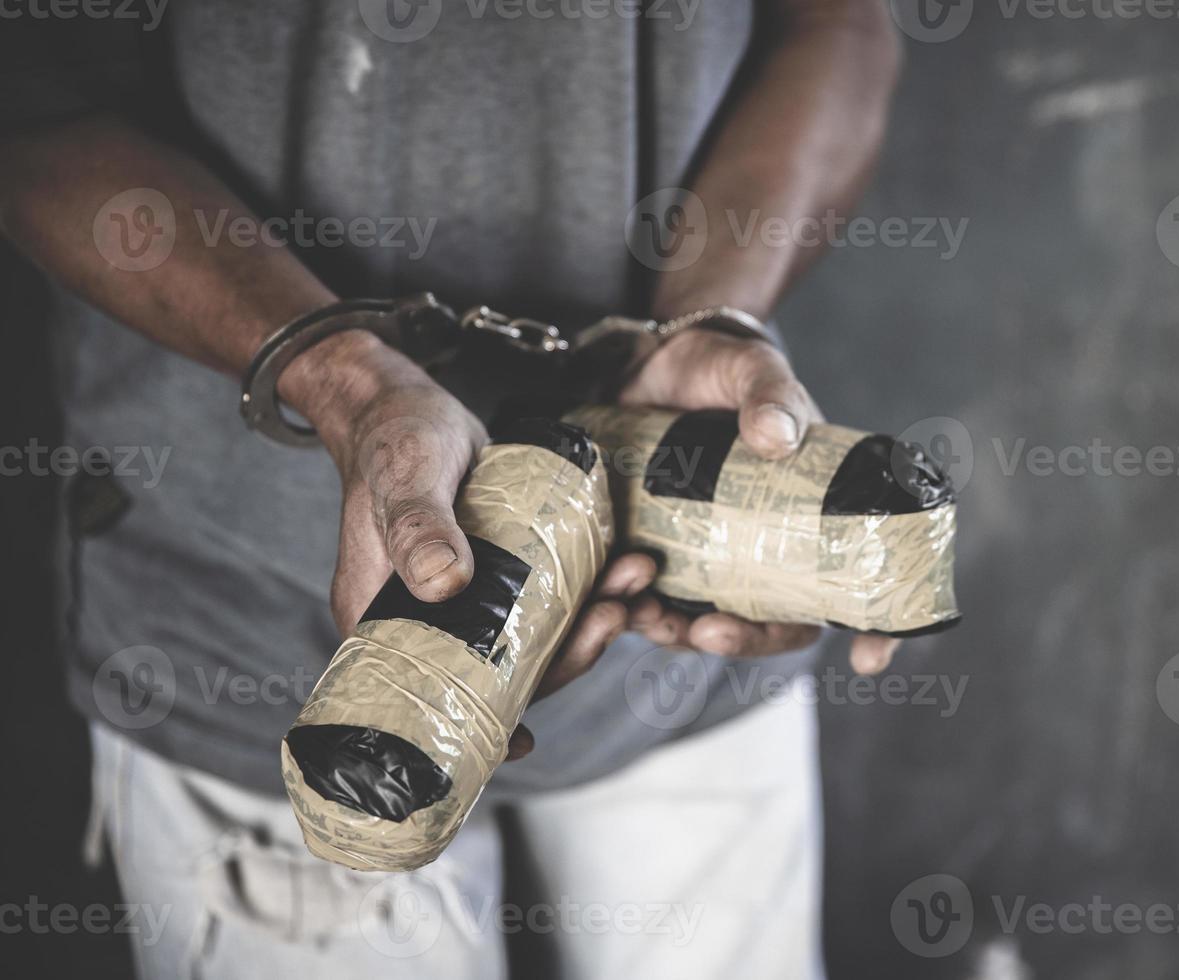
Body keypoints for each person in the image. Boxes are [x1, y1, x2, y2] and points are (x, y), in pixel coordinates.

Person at [0, 1, 903, 976]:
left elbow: (838, 24)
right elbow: (34, 104)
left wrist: (709, 315)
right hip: (266, 653)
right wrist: (343, 378)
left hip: (672, 608)